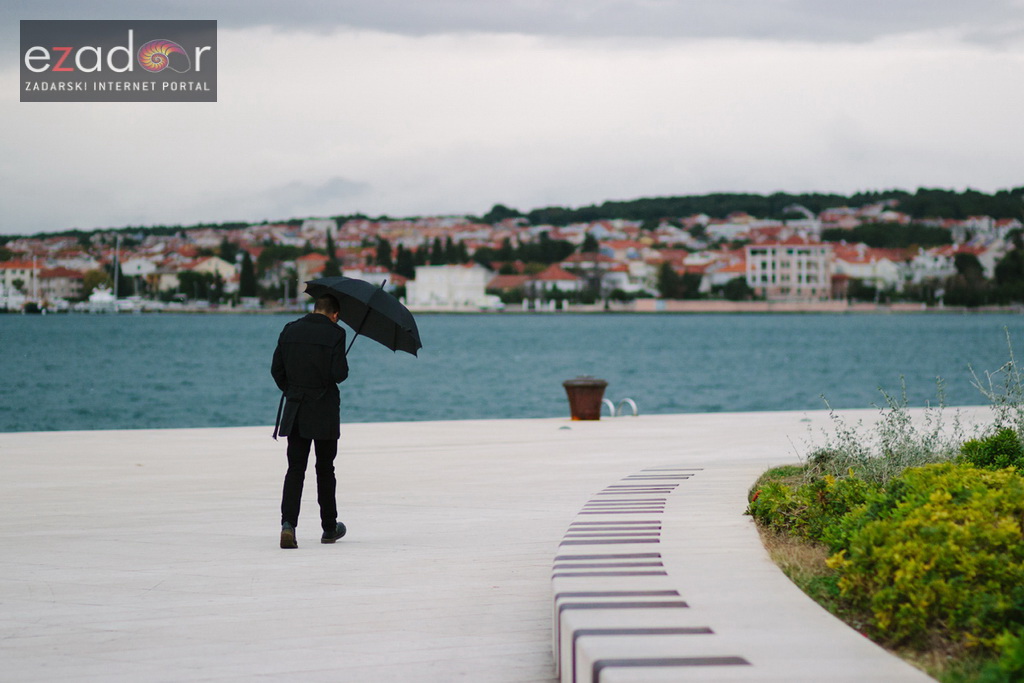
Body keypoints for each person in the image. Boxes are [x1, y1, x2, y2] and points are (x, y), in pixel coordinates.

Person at [271, 294, 349, 549]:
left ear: (315, 309)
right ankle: (329, 528)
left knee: (295, 469)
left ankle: (288, 525)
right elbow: (340, 374)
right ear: (335, 315)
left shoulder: (289, 330)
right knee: (325, 469)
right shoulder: (336, 334)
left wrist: (294, 390)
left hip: (296, 409)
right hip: (324, 410)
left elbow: (277, 370)